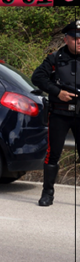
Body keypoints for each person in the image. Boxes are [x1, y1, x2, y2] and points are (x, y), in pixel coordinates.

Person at [31, 20, 80, 207]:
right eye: (76, 38)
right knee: (53, 154)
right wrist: (57, 92)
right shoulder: (55, 58)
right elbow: (37, 77)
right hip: (60, 114)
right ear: (66, 39)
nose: (79, 41)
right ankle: (47, 193)